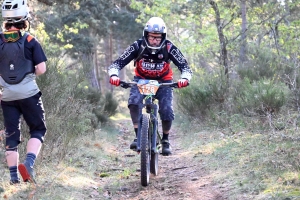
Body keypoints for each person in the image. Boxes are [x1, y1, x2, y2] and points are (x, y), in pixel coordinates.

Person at [108, 17, 192, 155]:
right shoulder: (137, 46)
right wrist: (114, 76)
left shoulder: (169, 47)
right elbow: (117, 63)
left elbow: (185, 67)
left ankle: (165, 139)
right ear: (146, 35)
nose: (154, 40)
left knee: (166, 109)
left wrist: (184, 79)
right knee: (134, 102)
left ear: (163, 37)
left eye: (157, 38)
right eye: (152, 37)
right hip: (141, 81)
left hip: (163, 82)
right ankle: (138, 135)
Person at [0, 0, 47, 184]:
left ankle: (13, 179)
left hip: (7, 96)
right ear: (24, 18)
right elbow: (42, 69)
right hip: (29, 94)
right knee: (38, 129)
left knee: (11, 134)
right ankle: (28, 163)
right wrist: (29, 75)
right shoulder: (29, 40)